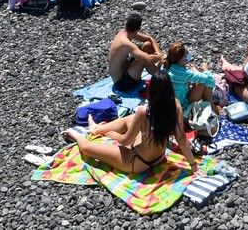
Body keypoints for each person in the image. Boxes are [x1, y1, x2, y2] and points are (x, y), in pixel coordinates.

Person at [63, 69, 197, 174]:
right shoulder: (175, 104)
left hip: (138, 162)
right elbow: (181, 139)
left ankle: (75, 134)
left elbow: (125, 141)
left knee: (87, 148)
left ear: (152, 90)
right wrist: (193, 166)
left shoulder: (144, 112)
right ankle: (96, 129)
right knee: (131, 118)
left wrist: (115, 136)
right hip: (159, 157)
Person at [108, 13, 162, 92]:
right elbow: (148, 59)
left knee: (147, 45)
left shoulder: (124, 32)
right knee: (144, 59)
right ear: (138, 29)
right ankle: (161, 77)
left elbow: (149, 39)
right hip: (121, 83)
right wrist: (161, 56)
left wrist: (158, 52)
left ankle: (158, 73)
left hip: (125, 70)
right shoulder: (125, 43)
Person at [163, 42, 216, 109]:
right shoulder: (185, 73)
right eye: (187, 54)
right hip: (181, 104)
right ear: (181, 59)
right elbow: (210, 79)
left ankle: (211, 106)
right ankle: (212, 106)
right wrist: (204, 69)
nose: (188, 56)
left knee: (194, 81)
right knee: (202, 82)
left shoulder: (165, 65)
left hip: (169, 100)